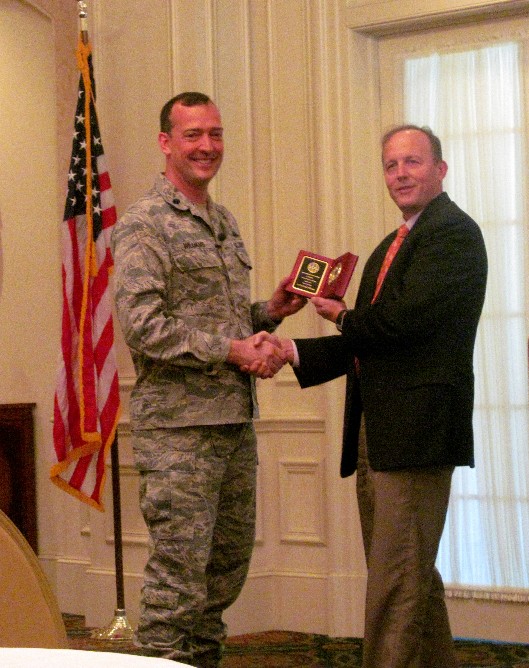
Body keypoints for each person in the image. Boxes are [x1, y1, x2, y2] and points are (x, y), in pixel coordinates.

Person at [281, 125, 488, 667]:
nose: (400, 174)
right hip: (378, 433)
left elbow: (401, 324)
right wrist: (288, 351)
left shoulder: (453, 235)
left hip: (417, 436)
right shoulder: (387, 247)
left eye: (413, 162)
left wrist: (345, 315)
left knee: (396, 585)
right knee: (409, 575)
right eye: (391, 165)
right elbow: (363, 344)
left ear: (440, 169)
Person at [111, 91, 305, 667]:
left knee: (220, 582)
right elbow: (144, 326)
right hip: (178, 436)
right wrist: (231, 349)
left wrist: (267, 312)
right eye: (193, 135)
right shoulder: (145, 225)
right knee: (176, 589)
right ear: (166, 143)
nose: (207, 146)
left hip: (233, 426)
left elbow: (220, 320)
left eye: (215, 134)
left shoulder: (222, 221)